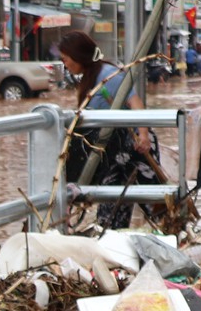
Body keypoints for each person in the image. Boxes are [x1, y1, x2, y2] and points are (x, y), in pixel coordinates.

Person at [60, 30, 152, 228]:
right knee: (111, 210)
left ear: (79, 56)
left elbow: (136, 103)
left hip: (132, 146)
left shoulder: (108, 76)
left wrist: (143, 135)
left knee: (153, 202)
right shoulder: (89, 78)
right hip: (111, 151)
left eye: (66, 60)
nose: (65, 65)